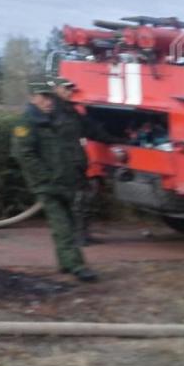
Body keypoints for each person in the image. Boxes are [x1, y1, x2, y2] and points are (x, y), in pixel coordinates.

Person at [11, 81, 98, 282]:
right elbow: (23, 154)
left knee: (67, 223)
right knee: (63, 225)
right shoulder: (26, 123)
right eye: (43, 97)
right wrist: (45, 178)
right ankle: (77, 266)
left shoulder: (53, 119)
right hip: (48, 185)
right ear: (33, 98)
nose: (48, 101)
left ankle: (65, 263)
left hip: (64, 182)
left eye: (50, 97)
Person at [48, 76, 119, 246]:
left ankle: (81, 234)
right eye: (65, 88)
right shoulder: (50, 112)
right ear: (56, 89)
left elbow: (92, 130)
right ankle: (72, 236)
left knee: (83, 198)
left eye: (70, 89)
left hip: (76, 163)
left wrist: (116, 140)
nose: (69, 92)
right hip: (61, 164)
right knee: (73, 200)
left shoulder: (72, 111)